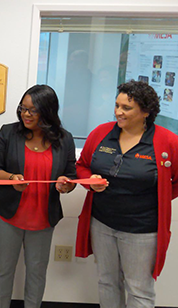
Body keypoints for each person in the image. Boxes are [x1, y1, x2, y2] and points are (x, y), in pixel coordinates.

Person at [76, 80, 178, 308]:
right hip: (102, 223)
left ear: (146, 112)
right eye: (117, 105)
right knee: (107, 283)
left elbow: (175, 182)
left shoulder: (167, 141)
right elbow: (81, 165)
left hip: (142, 230)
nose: (118, 112)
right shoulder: (101, 133)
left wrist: (159, 197)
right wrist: (90, 181)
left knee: (139, 289)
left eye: (126, 108)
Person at [0, 85, 76, 308]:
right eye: (23, 109)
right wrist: (10, 178)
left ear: (48, 112)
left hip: (44, 218)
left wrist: (66, 186)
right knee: (4, 268)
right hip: (10, 215)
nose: (26, 114)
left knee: (36, 271)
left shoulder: (65, 139)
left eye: (32, 110)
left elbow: (71, 176)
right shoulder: (8, 132)